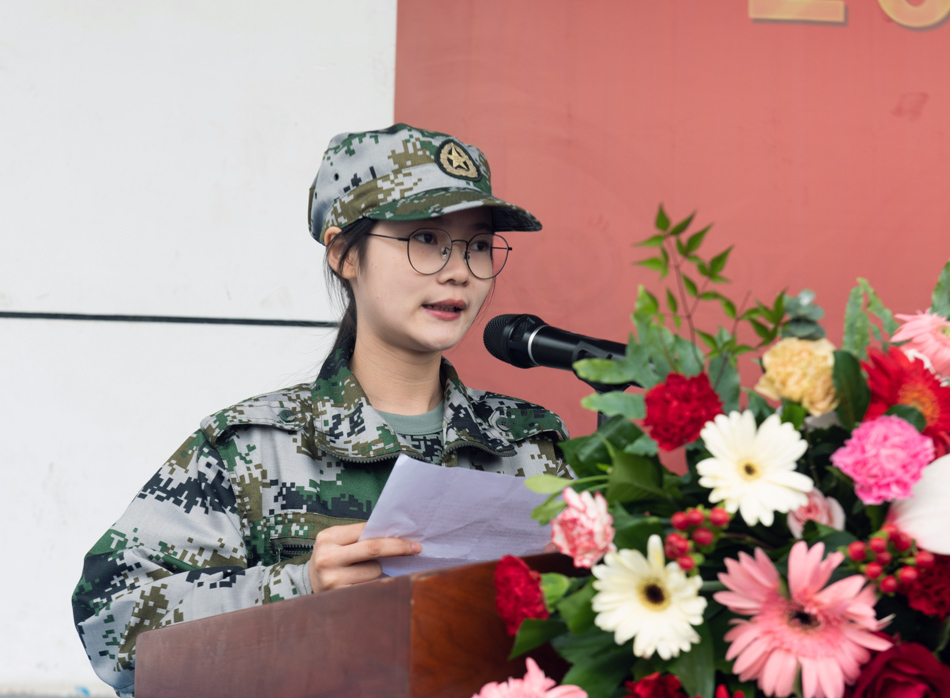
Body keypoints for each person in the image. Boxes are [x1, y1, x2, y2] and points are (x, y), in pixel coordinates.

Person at [71, 123, 571, 695]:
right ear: (343, 255)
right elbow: (109, 619)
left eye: (478, 244)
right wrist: (297, 585)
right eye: (426, 238)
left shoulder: (529, 446)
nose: (459, 269)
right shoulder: (253, 447)